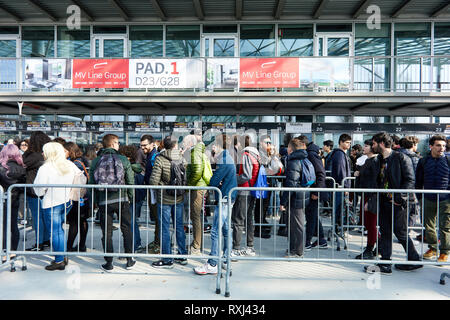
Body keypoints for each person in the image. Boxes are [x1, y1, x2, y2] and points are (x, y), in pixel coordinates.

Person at [366, 132, 422, 275]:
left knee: (400, 231)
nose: (372, 146)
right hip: (384, 201)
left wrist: (398, 198)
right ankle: (385, 263)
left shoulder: (401, 157)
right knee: (385, 231)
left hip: (398, 203)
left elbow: (410, 180)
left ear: (382, 144)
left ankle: (414, 259)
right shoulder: (378, 160)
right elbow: (376, 182)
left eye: (374, 143)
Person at [89, 134, 135, 272]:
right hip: (122, 199)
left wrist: (96, 201)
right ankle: (129, 260)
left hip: (104, 201)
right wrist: (130, 197)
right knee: (126, 228)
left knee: (107, 232)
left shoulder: (96, 161)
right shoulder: (123, 160)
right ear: (114, 144)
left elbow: (92, 184)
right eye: (118, 143)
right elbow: (130, 180)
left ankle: (109, 263)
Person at [194, 134, 237, 275]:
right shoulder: (226, 157)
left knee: (215, 231)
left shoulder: (224, 160)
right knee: (225, 230)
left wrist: (216, 180)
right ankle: (225, 258)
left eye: (213, 144)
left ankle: (213, 263)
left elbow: (213, 181)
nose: (212, 147)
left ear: (219, 145)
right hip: (228, 196)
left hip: (224, 198)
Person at [33, 142, 80, 271]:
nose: (42, 154)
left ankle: (59, 260)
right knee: (60, 230)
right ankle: (62, 256)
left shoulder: (46, 167)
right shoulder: (70, 165)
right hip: (67, 201)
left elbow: (39, 190)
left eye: (44, 151)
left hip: (51, 203)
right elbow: (79, 177)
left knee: (55, 231)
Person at [149, 135, 188, 268]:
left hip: (164, 199)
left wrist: (162, 187)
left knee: (165, 229)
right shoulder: (182, 158)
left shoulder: (160, 159)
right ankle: (182, 256)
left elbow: (153, 181)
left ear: (163, 146)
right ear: (175, 145)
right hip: (179, 198)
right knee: (179, 227)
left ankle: (167, 259)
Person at [416, 135, 449, 263]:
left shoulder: (448, 160)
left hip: (445, 199)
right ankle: (433, 248)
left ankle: (445, 252)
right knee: (428, 226)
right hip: (428, 198)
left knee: (445, 227)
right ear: (431, 146)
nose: (442, 148)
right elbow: (418, 181)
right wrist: (420, 198)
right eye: (438, 145)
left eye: (443, 146)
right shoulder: (423, 161)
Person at [280, 137, 310, 257]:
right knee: (295, 224)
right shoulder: (303, 158)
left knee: (297, 225)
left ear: (290, 148)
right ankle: (293, 249)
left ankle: (297, 251)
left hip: (296, 197)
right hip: (301, 195)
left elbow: (291, 183)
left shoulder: (294, 161)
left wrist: (283, 201)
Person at [231, 134, 260, 258]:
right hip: (251, 189)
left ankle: (236, 248)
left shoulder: (245, 155)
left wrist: (233, 179)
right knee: (248, 219)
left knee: (238, 220)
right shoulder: (255, 155)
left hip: (244, 191)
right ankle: (249, 246)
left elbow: (246, 175)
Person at [184, 133, 212, 255]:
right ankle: (196, 244)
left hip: (197, 187)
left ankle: (196, 246)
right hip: (199, 186)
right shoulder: (198, 151)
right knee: (196, 216)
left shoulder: (195, 152)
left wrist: (190, 183)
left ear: (190, 143)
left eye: (184, 142)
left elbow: (197, 170)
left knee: (195, 216)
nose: (183, 144)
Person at [23, 131, 51, 251]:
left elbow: (21, 164)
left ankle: (39, 243)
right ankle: (45, 240)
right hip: (45, 189)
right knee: (44, 217)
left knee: (37, 217)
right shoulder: (45, 155)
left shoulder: (33, 156)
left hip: (33, 190)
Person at [354, 139, 379, 259]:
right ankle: (376, 246)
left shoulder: (375, 161)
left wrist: (370, 200)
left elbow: (375, 182)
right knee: (367, 223)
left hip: (371, 196)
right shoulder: (368, 160)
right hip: (366, 195)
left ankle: (370, 248)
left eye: (367, 145)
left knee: (371, 223)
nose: (364, 147)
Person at [0, 144, 26, 263]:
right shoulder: (22, 168)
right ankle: (12, 251)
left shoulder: (2, 167)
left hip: (3, 200)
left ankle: (4, 251)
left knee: (3, 226)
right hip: (15, 200)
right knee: (13, 226)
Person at [63, 142, 90, 253]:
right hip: (84, 196)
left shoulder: (75, 163)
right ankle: (81, 245)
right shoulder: (82, 160)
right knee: (82, 221)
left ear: (71, 151)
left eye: (64, 151)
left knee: (74, 222)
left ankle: (69, 247)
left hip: (77, 196)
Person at [119, 144, 146, 253]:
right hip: (137, 199)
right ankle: (137, 243)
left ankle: (133, 246)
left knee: (129, 223)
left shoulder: (129, 169)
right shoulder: (138, 168)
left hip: (130, 199)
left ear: (127, 157)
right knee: (132, 222)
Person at [305, 136, 329, 250]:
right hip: (314, 190)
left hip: (314, 191)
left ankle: (307, 241)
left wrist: (316, 191)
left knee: (311, 216)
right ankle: (321, 239)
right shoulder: (312, 153)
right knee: (313, 215)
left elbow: (321, 174)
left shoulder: (311, 155)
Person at [139, 134, 160, 254]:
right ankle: (157, 241)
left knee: (158, 218)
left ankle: (158, 243)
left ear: (152, 144)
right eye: (141, 146)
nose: (143, 148)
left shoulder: (155, 156)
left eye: (145, 145)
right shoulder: (150, 155)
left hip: (155, 192)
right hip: (152, 191)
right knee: (156, 218)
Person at [329, 134, 352, 228]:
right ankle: (336, 230)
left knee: (338, 209)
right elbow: (341, 171)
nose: (349, 145)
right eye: (347, 142)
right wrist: (345, 187)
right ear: (341, 142)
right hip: (340, 186)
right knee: (338, 210)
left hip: (339, 186)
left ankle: (337, 230)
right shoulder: (339, 154)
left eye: (350, 143)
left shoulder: (339, 153)